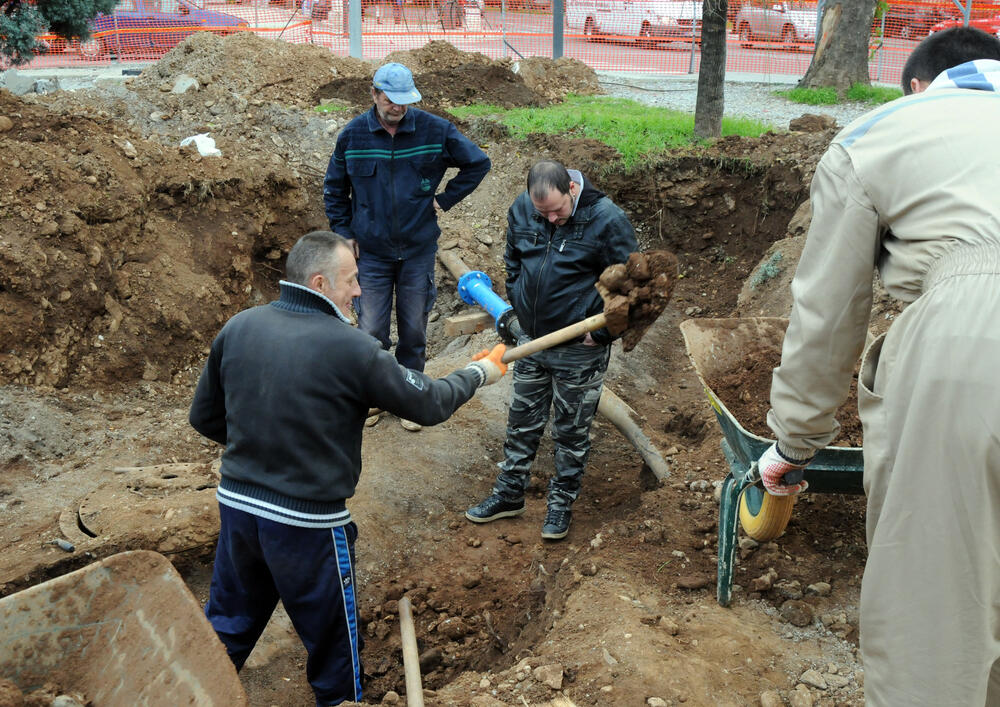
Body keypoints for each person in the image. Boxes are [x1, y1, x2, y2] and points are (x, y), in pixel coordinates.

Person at [756, 27, 1000, 707]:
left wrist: (792, 442)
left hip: (972, 343)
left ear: (919, 86)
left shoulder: (884, 132)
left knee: (936, 627)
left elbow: (829, 316)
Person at [189, 231, 507, 707]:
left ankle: (189, 694)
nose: (358, 291)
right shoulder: (352, 348)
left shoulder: (240, 326)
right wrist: (480, 372)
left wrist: (261, 450)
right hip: (307, 525)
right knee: (334, 647)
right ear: (319, 282)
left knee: (227, 628)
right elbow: (430, 403)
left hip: (238, 508)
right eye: (351, 280)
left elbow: (204, 417)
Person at [464, 160, 638, 541]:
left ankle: (561, 504)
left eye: (557, 210)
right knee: (522, 422)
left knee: (571, 430)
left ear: (572, 190)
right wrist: (520, 305)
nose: (552, 218)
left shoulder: (607, 220)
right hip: (531, 341)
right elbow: (512, 261)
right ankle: (510, 494)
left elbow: (632, 288)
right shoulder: (523, 209)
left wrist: (604, 335)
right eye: (543, 212)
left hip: (579, 347)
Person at [323, 62, 491, 431]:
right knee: (370, 330)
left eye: (404, 101)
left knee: (414, 328)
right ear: (374, 94)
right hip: (370, 252)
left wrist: (444, 200)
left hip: (417, 249)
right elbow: (334, 190)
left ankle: (409, 398)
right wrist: (344, 232)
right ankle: (374, 396)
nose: (397, 108)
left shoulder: (435, 130)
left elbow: (478, 163)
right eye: (390, 100)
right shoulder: (353, 136)